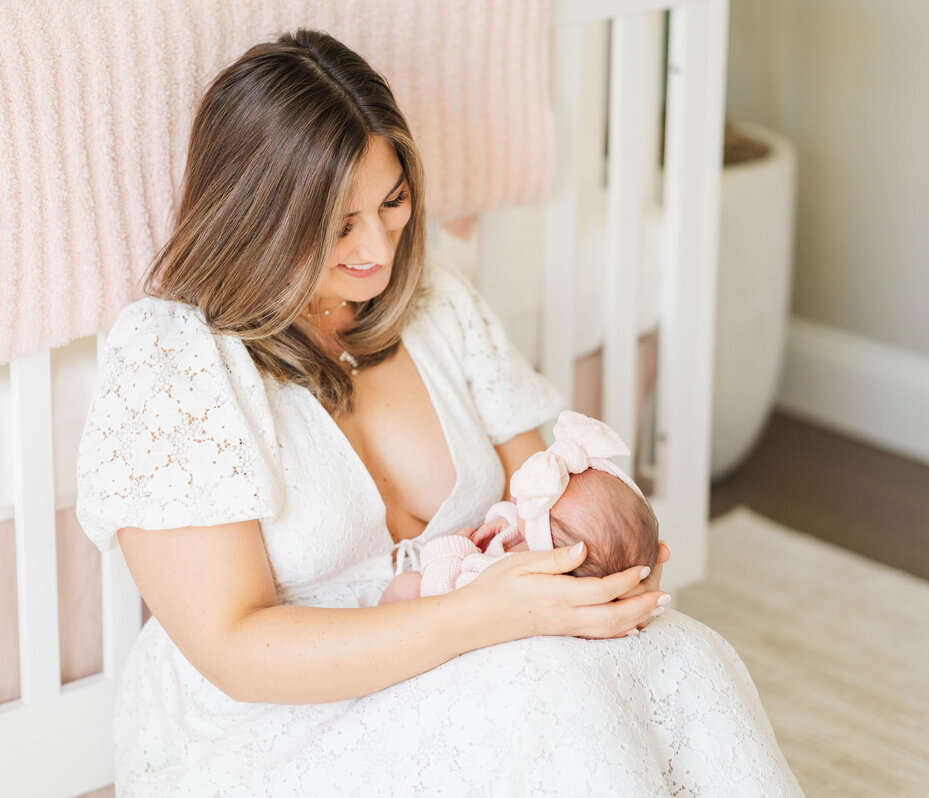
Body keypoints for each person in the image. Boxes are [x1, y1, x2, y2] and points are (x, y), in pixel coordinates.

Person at [76, 28, 803, 796]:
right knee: (547, 691)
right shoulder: (174, 357)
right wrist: (489, 616)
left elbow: (543, 489)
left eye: (392, 203)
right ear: (258, 216)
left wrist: (600, 566)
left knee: (687, 655)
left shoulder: (436, 306)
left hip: (474, 643)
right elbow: (235, 648)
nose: (378, 249)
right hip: (271, 722)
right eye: (339, 225)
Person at [378, 410, 661, 603]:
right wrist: (504, 524)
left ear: (559, 554)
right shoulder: (545, 558)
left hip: (444, 622)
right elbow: (520, 525)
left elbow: (443, 592)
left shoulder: (510, 574)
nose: (522, 499)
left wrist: (453, 548)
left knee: (407, 585)